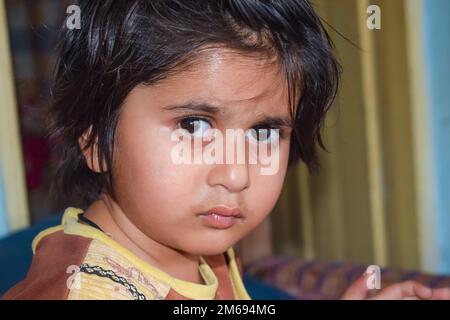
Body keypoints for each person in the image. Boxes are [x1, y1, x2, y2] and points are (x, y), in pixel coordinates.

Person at [3, 0, 449, 300]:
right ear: (95, 139)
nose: (236, 175)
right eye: (194, 125)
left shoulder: (202, 249)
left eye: (263, 133)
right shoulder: (90, 288)